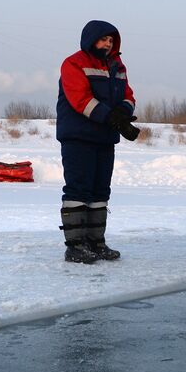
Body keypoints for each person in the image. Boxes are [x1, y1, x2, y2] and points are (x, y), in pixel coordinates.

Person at [55, 19, 141, 264]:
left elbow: (128, 95)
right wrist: (113, 118)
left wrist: (124, 113)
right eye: (104, 39)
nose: (107, 44)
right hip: (78, 137)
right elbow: (81, 100)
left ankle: (95, 242)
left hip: (104, 137)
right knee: (78, 189)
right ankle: (75, 246)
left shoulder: (117, 66)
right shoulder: (73, 63)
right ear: (91, 39)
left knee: (100, 190)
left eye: (111, 40)